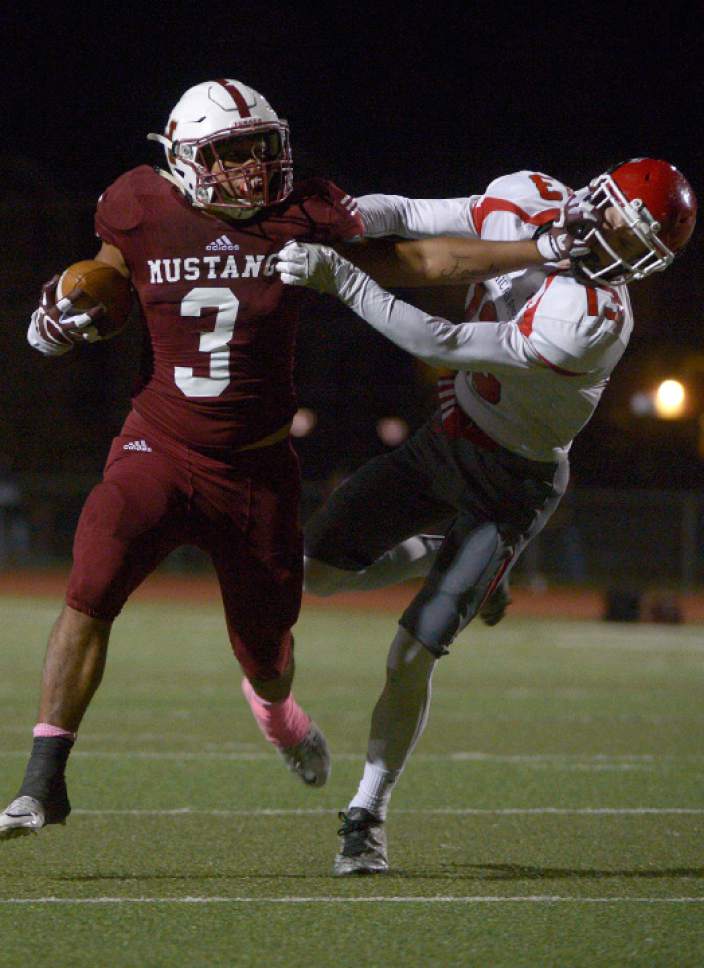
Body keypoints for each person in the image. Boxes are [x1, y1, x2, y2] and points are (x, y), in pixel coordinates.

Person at [0, 80, 576, 842]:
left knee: (267, 652)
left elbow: (421, 255)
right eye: (228, 156)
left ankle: (278, 717)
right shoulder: (139, 202)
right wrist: (63, 313)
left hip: (256, 468)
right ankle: (43, 785)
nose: (249, 172)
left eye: (258, 151)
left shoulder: (300, 213)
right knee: (94, 568)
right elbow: (106, 269)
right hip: (160, 443)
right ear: (181, 161)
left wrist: (542, 247)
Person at [275, 158, 697, 874]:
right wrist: (345, 220)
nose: (615, 241)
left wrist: (340, 276)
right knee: (311, 574)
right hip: (451, 438)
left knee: (411, 652)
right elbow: (408, 213)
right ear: (598, 194)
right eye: (618, 218)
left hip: (514, 478)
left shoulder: (593, 320)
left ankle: (367, 812)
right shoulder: (527, 197)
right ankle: (436, 548)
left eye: (635, 240)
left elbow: (439, 343)